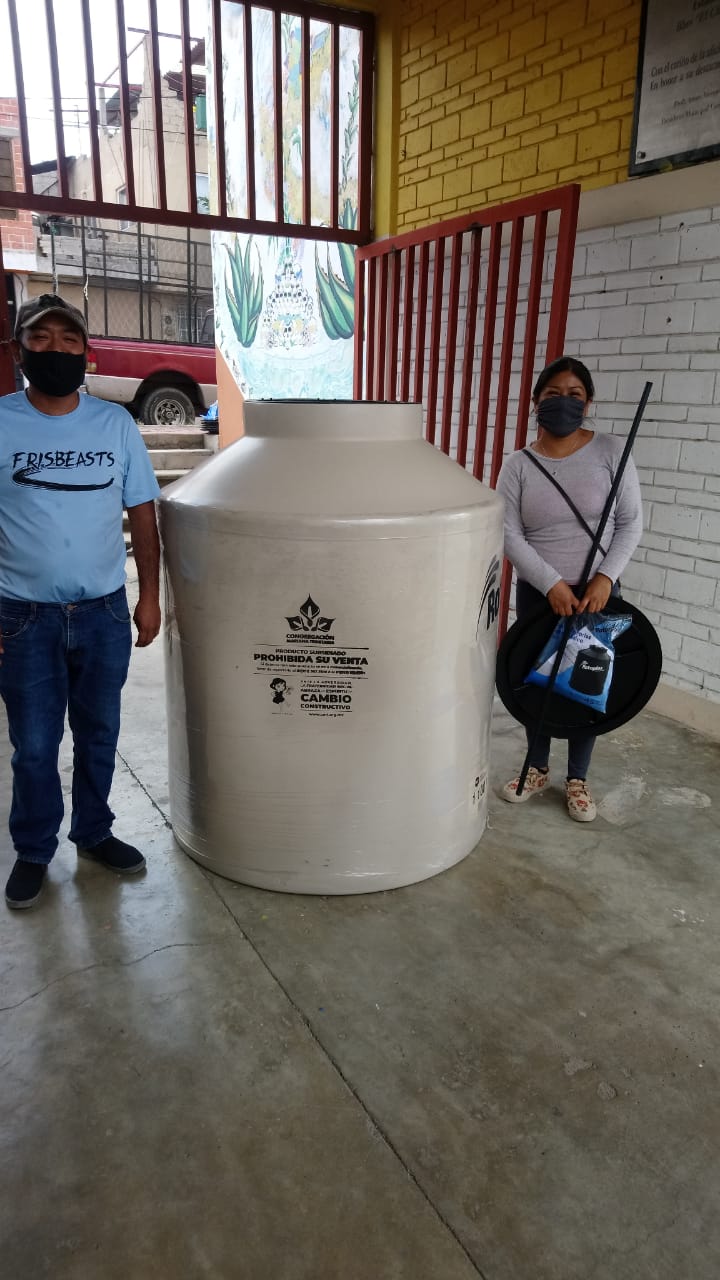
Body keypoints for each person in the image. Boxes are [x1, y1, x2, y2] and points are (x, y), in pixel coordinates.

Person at [0, 293, 162, 908]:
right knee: (35, 746)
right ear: (19, 351)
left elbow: (142, 513)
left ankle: (94, 832)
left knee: (98, 734)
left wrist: (150, 597)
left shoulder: (115, 424)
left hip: (103, 612)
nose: (57, 350)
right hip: (21, 617)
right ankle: (34, 849)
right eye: (41, 339)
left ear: (86, 353)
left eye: (69, 340)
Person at [496, 356, 643, 822]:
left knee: (588, 680)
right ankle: (537, 767)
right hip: (541, 595)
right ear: (535, 401)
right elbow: (508, 533)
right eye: (553, 394)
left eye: (575, 395)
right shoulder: (518, 465)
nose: (564, 402)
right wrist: (550, 584)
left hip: (597, 593)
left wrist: (604, 578)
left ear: (589, 403)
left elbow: (630, 523)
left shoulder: (612, 452)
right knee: (536, 678)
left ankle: (578, 777)